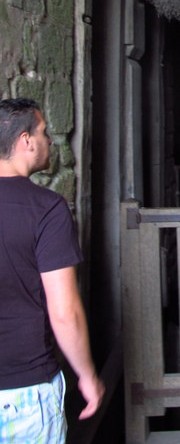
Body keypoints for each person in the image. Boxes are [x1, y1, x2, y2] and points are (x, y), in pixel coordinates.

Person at [0, 98, 104, 444]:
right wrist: (87, 375)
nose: (50, 141)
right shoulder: (46, 209)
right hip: (25, 391)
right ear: (26, 141)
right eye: (44, 133)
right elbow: (64, 312)